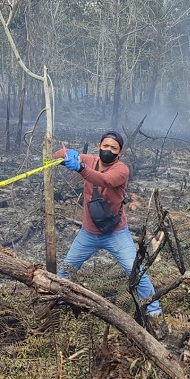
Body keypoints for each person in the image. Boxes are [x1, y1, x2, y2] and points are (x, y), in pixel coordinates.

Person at [53, 131, 163, 319]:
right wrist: (67, 154)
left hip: (115, 233)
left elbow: (105, 180)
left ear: (120, 152)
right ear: (99, 146)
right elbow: (56, 156)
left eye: (113, 148)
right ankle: (60, 302)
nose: (108, 150)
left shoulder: (122, 170)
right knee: (66, 270)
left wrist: (80, 168)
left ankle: (153, 310)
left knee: (134, 270)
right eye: (105, 146)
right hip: (88, 233)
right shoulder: (89, 160)